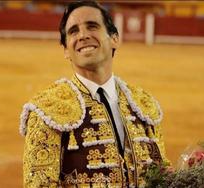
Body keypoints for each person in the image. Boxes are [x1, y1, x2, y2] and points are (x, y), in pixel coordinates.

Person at [20, 1, 169, 187]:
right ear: (66, 50)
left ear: (115, 38)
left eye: (92, 26)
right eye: (73, 31)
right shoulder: (46, 111)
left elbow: (161, 176)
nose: (83, 35)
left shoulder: (143, 105)